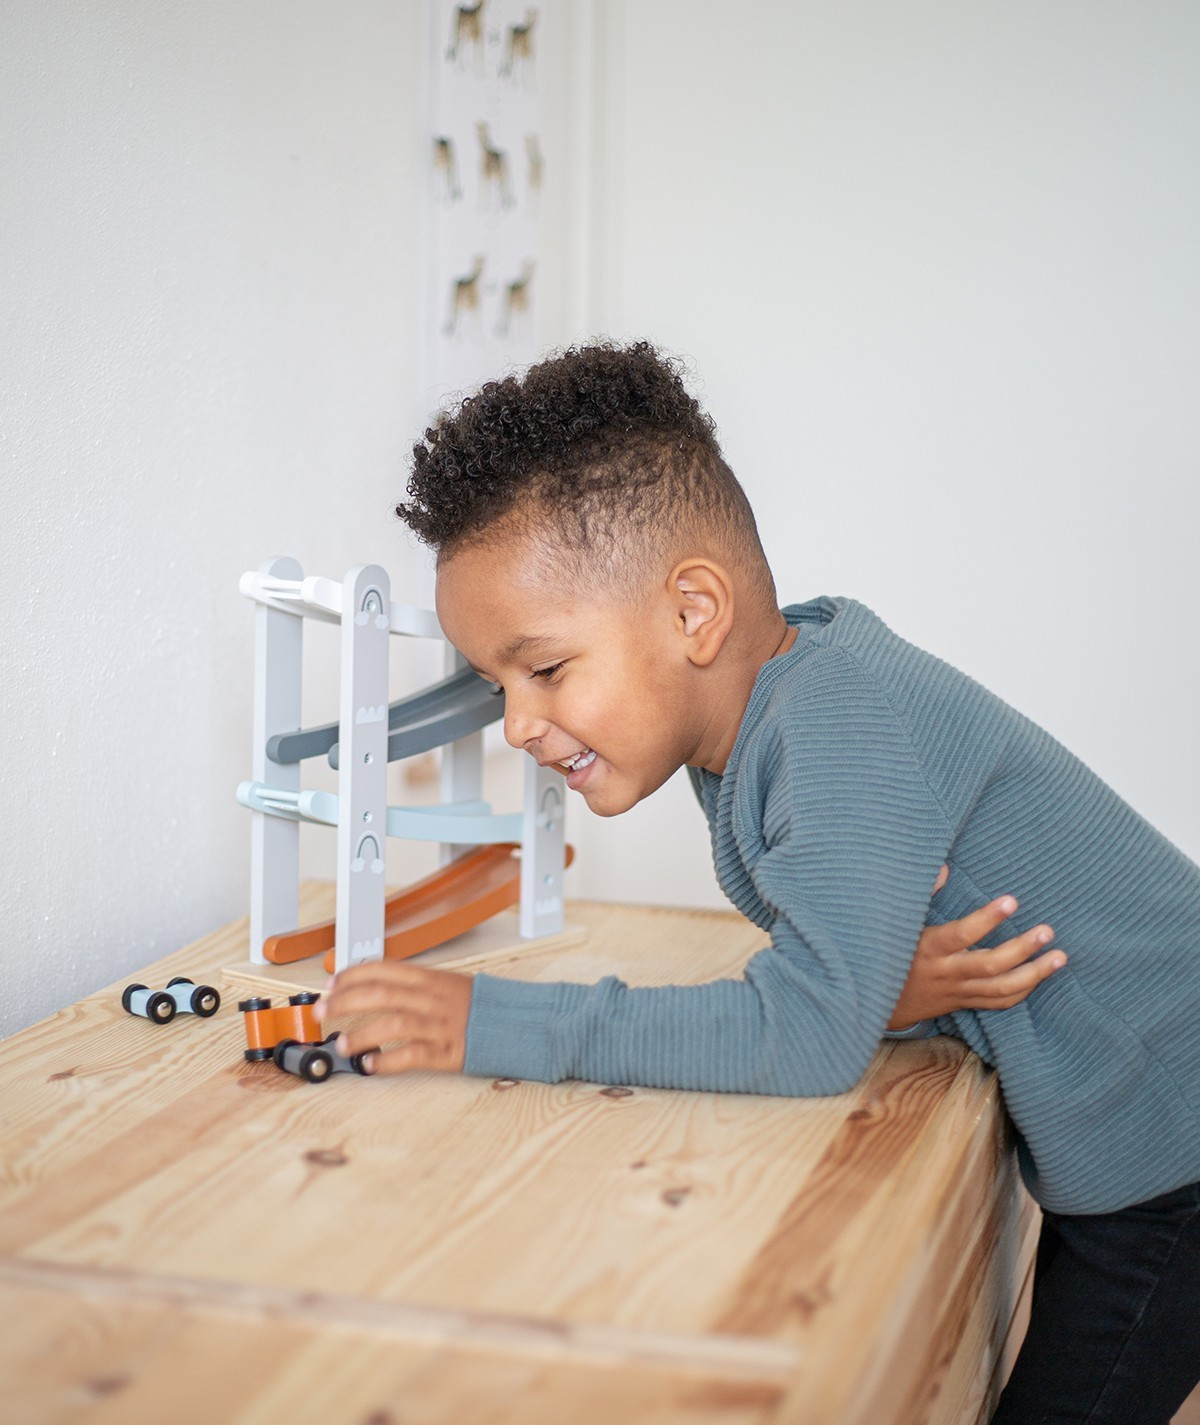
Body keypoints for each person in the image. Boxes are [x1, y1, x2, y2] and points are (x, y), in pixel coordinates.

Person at [316, 341, 1200, 1423]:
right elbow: (832, 978)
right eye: (497, 683)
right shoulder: (767, 718)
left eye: (543, 668)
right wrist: (872, 987)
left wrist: (482, 1022)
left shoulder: (832, 723)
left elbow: (806, 1036)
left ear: (694, 612)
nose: (517, 723)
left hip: (1177, 1157)